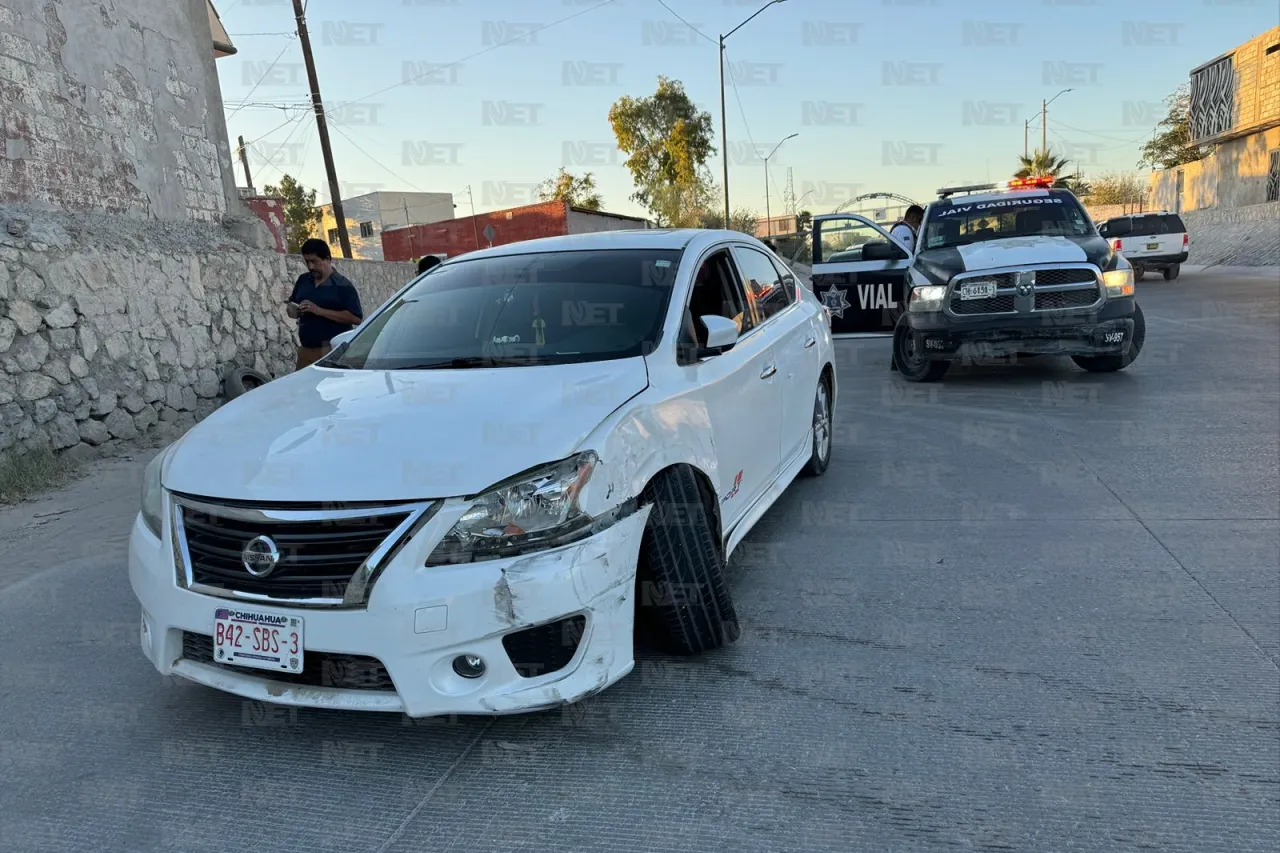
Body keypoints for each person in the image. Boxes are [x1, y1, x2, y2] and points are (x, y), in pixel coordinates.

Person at [287, 238, 364, 370]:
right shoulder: (303, 280)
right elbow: (291, 306)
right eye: (307, 262)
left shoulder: (343, 285)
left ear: (327, 259)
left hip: (333, 351)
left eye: (314, 261)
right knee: (302, 389)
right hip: (306, 350)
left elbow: (356, 318)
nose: (310, 267)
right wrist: (296, 311)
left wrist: (319, 310)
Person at [888, 205, 924, 371]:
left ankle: (897, 359)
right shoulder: (904, 232)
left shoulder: (902, 230)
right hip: (903, 279)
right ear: (914, 218)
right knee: (905, 318)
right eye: (920, 222)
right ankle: (898, 359)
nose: (919, 226)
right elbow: (906, 257)